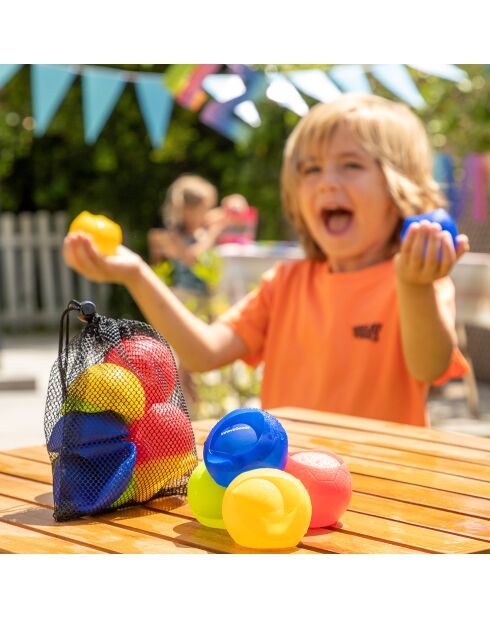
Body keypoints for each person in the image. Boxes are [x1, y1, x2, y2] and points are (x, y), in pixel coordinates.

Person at [63, 93, 470, 427]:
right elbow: (204, 353)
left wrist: (415, 287)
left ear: (401, 189)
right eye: (311, 169)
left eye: (351, 164)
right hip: (284, 495)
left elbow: (430, 365)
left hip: (387, 494)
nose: (327, 180)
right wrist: (137, 273)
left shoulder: (415, 281)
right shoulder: (286, 283)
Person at [147, 174, 248, 297]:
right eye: (204, 209)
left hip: (209, 299)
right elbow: (192, 258)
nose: (208, 212)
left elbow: (237, 208)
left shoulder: (203, 228)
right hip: (186, 299)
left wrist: (234, 204)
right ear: (186, 210)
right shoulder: (172, 236)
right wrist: (213, 232)